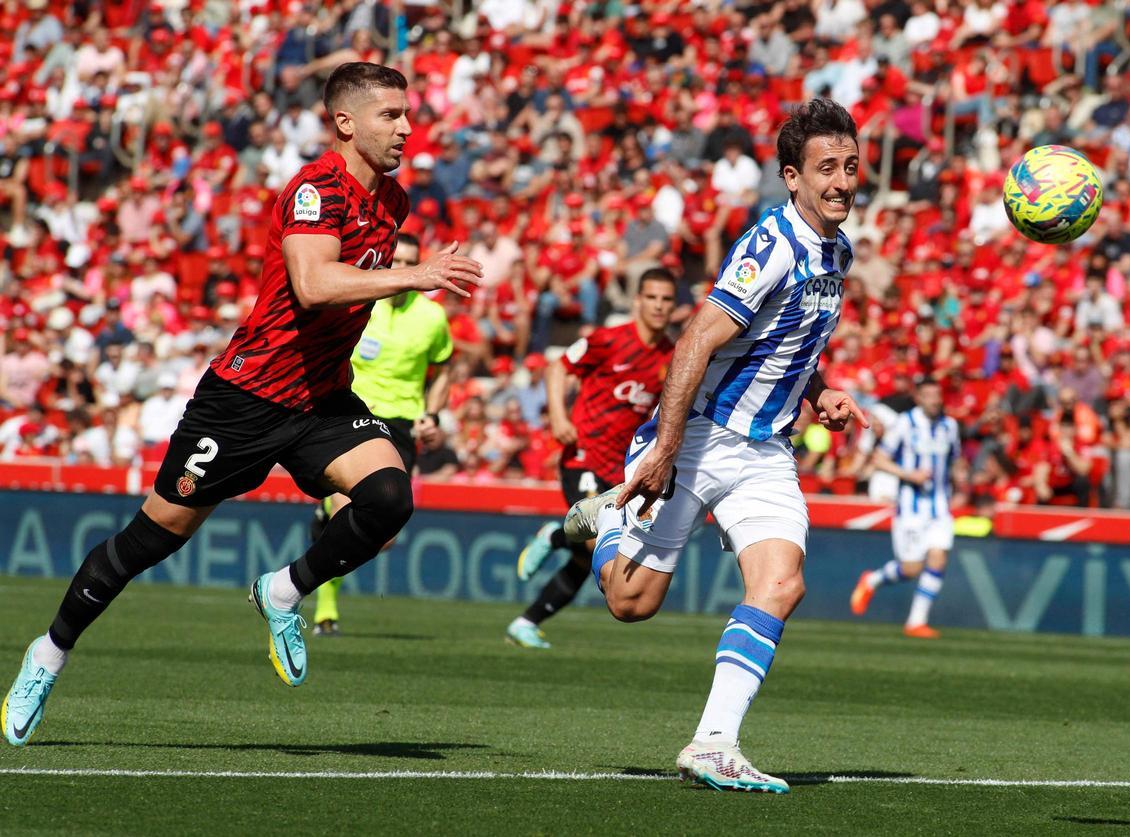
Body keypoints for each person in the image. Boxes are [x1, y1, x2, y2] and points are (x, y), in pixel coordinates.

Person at [2, 62, 483, 747]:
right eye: (392, 115)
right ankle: (47, 654)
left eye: (408, 114)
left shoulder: (394, 202)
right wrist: (422, 272)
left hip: (319, 398)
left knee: (389, 497)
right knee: (149, 539)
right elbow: (313, 285)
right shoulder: (316, 190)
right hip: (246, 397)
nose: (407, 127)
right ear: (346, 122)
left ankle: (284, 589)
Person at [562, 100, 868, 793]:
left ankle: (714, 741)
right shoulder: (772, 245)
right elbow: (698, 338)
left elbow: (786, 343)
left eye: (850, 165)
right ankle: (609, 518)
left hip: (767, 453)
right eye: (827, 167)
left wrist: (821, 395)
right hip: (700, 437)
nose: (843, 180)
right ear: (791, 177)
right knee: (630, 603)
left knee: (782, 583)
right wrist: (666, 448)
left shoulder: (838, 250)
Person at [506, 269, 676, 649]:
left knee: (589, 558)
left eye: (666, 299)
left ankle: (525, 622)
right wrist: (559, 415)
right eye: (652, 298)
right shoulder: (608, 340)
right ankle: (553, 534)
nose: (659, 306)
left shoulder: (671, 358)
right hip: (583, 456)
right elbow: (558, 367)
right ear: (637, 301)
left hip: (621, 468)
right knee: (597, 538)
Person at [308, 232, 454, 635]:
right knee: (346, 511)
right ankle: (325, 609)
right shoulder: (358, 303)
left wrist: (434, 414)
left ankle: (323, 514)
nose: (404, 269)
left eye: (412, 262)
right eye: (398, 261)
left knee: (381, 537)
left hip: (402, 426)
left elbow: (442, 371)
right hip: (352, 416)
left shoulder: (432, 317)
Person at [850, 378, 961, 639]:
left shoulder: (950, 426)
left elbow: (954, 462)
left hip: (940, 507)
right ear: (919, 398)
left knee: (938, 558)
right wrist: (909, 475)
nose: (935, 400)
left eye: (937, 395)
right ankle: (872, 580)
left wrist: (961, 485)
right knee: (911, 568)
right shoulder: (904, 424)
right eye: (929, 396)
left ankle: (916, 621)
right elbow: (879, 459)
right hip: (911, 509)